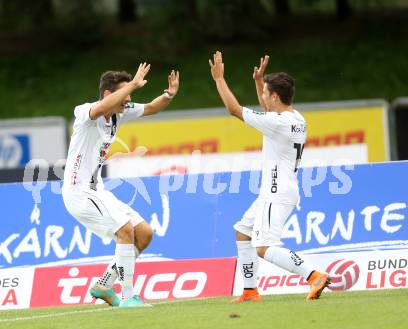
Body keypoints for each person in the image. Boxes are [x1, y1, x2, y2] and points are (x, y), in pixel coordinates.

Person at [208, 51, 330, 302]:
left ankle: (313, 275)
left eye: (266, 92)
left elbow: (233, 109)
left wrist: (219, 78)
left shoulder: (278, 123)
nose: (263, 95)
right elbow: (267, 111)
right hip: (277, 190)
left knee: (264, 246)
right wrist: (259, 81)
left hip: (277, 192)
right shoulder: (296, 118)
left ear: (275, 96)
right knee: (243, 231)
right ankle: (250, 291)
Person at [62, 63, 180, 307]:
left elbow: (151, 107)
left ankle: (104, 285)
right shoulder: (85, 111)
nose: (129, 100)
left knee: (144, 233)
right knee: (125, 229)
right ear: (108, 94)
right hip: (79, 192)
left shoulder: (120, 111)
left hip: (98, 190)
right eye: (125, 94)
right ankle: (129, 296)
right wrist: (134, 83)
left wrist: (169, 94)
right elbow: (100, 108)